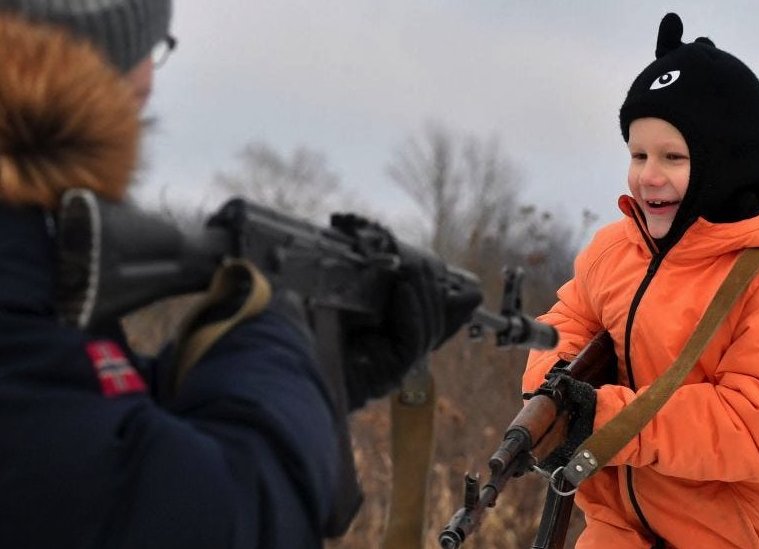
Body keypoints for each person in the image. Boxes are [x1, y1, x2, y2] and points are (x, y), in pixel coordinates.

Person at [0, 1, 478, 548]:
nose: (151, 83)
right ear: (87, 57)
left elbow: (89, 429)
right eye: (148, 52)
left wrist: (318, 379)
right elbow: (210, 520)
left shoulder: (27, 244)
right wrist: (279, 342)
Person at [522, 12, 759, 548]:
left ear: (723, 165)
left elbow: (758, 426)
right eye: (638, 155)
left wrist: (604, 419)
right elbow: (565, 321)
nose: (648, 176)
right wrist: (554, 392)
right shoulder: (616, 249)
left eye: (673, 157)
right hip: (620, 531)